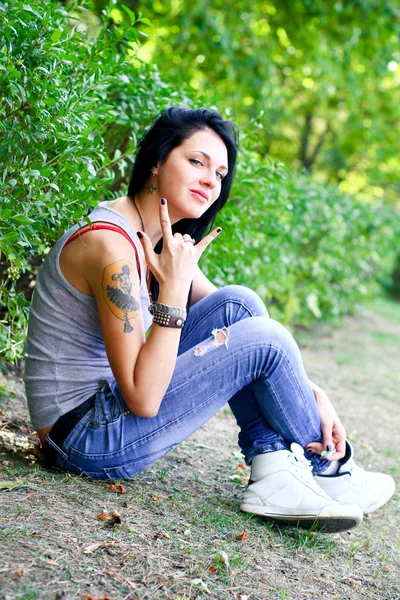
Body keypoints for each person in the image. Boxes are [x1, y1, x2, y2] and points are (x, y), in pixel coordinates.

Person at [24, 107, 395, 533]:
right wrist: (175, 291)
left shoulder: (156, 237)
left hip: (109, 407)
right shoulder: (110, 248)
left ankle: (273, 465)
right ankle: (326, 470)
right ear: (156, 162)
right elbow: (143, 398)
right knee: (265, 337)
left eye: (219, 173)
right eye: (196, 162)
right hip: (83, 438)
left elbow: (239, 319)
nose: (210, 180)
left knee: (240, 303)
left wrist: (313, 392)